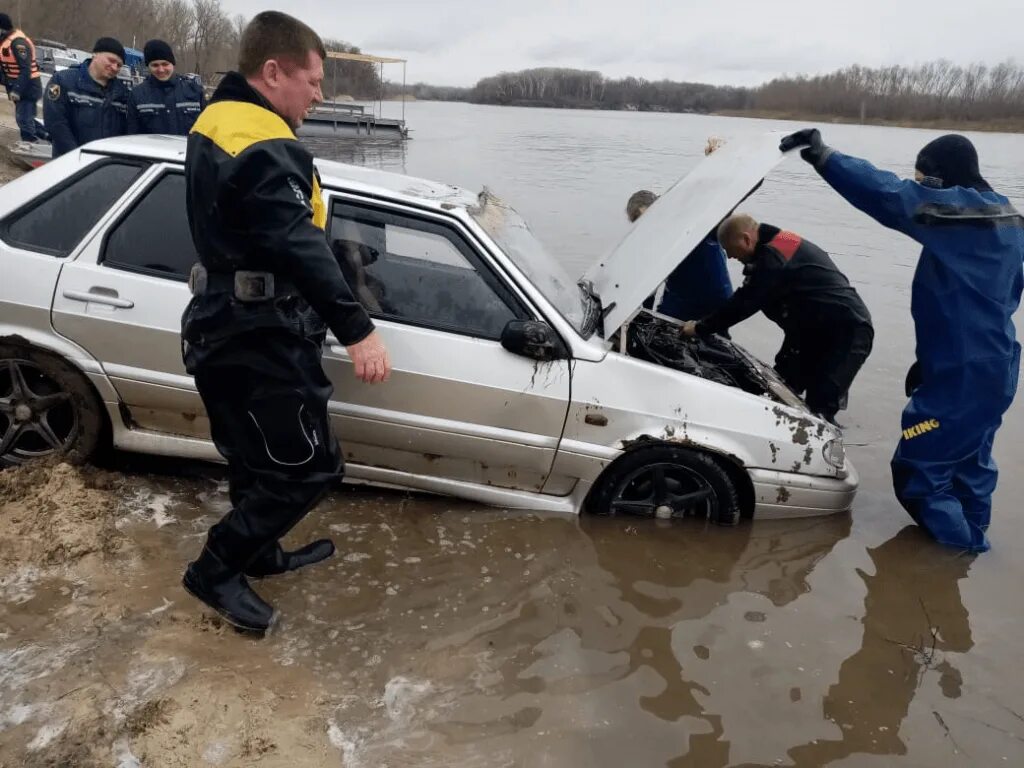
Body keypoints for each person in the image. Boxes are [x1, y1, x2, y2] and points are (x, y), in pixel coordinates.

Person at [181, 11, 391, 633]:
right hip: (258, 334)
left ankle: (259, 552)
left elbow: (265, 229)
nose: (319, 95)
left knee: (255, 457)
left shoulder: (218, 121)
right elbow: (296, 242)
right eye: (313, 80)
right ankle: (216, 569)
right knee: (310, 467)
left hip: (225, 322)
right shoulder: (262, 140)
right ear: (273, 72)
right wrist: (358, 328)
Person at [780, 128, 1024, 552]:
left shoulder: (959, 216)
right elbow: (997, 297)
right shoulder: (1008, 219)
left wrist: (825, 157)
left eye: (924, 177)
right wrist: (931, 359)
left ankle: (960, 553)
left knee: (918, 470)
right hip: (994, 366)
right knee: (970, 464)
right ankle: (969, 561)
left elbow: (891, 195)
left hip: (962, 375)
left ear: (942, 177)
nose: (919, 184)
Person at [681, 213, 874, 425]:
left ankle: (823, 452)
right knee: (780, 387)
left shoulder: (774, 257)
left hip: (848, 331)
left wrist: (700, 328)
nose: (731, 258)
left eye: (730, 251)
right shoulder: (779, 241)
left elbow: (743, 304)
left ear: (746, 239)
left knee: (820, 408)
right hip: (809, 331)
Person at [625, 139, 734, 321]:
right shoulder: (648, 242)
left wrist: (718, 163)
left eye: (647, 219)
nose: (647, 227)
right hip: (679, 300)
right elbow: (647, 286)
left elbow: (722, 203)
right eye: (639, 224)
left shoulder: (691, 219)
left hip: (715, 297)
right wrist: (642, 317)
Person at [43, 37, 129, 157]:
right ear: (95, 54)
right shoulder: (63, 81)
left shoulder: (122, 93)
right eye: (111, 60)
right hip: (69, 162)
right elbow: (55, 123)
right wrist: (76, 156)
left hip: (105, 166)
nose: (114, 67)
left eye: (119, 65)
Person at [126, 39, 205, 135]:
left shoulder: (194, 91)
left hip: (186, 150)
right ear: (148, 66)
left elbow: (207, 131)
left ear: (172, 64)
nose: (161, 70)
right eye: (155, 65)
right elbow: (132, 136)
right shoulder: (137, 95)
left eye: (165, 64)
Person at [0, 13, 44, 148]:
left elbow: (26, 69)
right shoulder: (4, 42)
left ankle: (30, 144)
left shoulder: (18, 43)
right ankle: (51, 137)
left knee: (23, 119)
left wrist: (17, 90)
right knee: (27, 119)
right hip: (20, 88)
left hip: (28, 88)